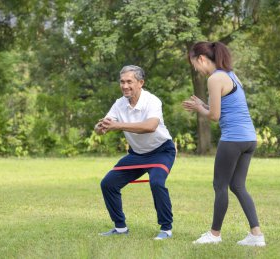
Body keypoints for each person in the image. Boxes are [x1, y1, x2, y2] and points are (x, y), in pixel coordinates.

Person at [182, 41, 266, 246]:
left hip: (233, 139)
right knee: (237, 185)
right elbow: (225, 106)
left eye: (195, 65)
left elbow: (214, 115)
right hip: (248, 138)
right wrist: (202, 105)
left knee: (220, 185)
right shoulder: (230, 74)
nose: (197, 70)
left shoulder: (214, 78)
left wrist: (200, 109)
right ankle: (256, 236)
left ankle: (214, 234)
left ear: (201, 59)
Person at [95, 65, 176, 240]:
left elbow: (150, 126)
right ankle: (120, 228)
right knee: (108, 184)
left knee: (156, 182)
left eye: (129, 82)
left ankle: (166, 229)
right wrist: (100, 128)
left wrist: (117, 126)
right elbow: (105, 124)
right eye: (122, 82)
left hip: (162, 151)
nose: (125, 86)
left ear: (140, 83)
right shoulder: (119, 103)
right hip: (137, 154)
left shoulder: (152, 101)